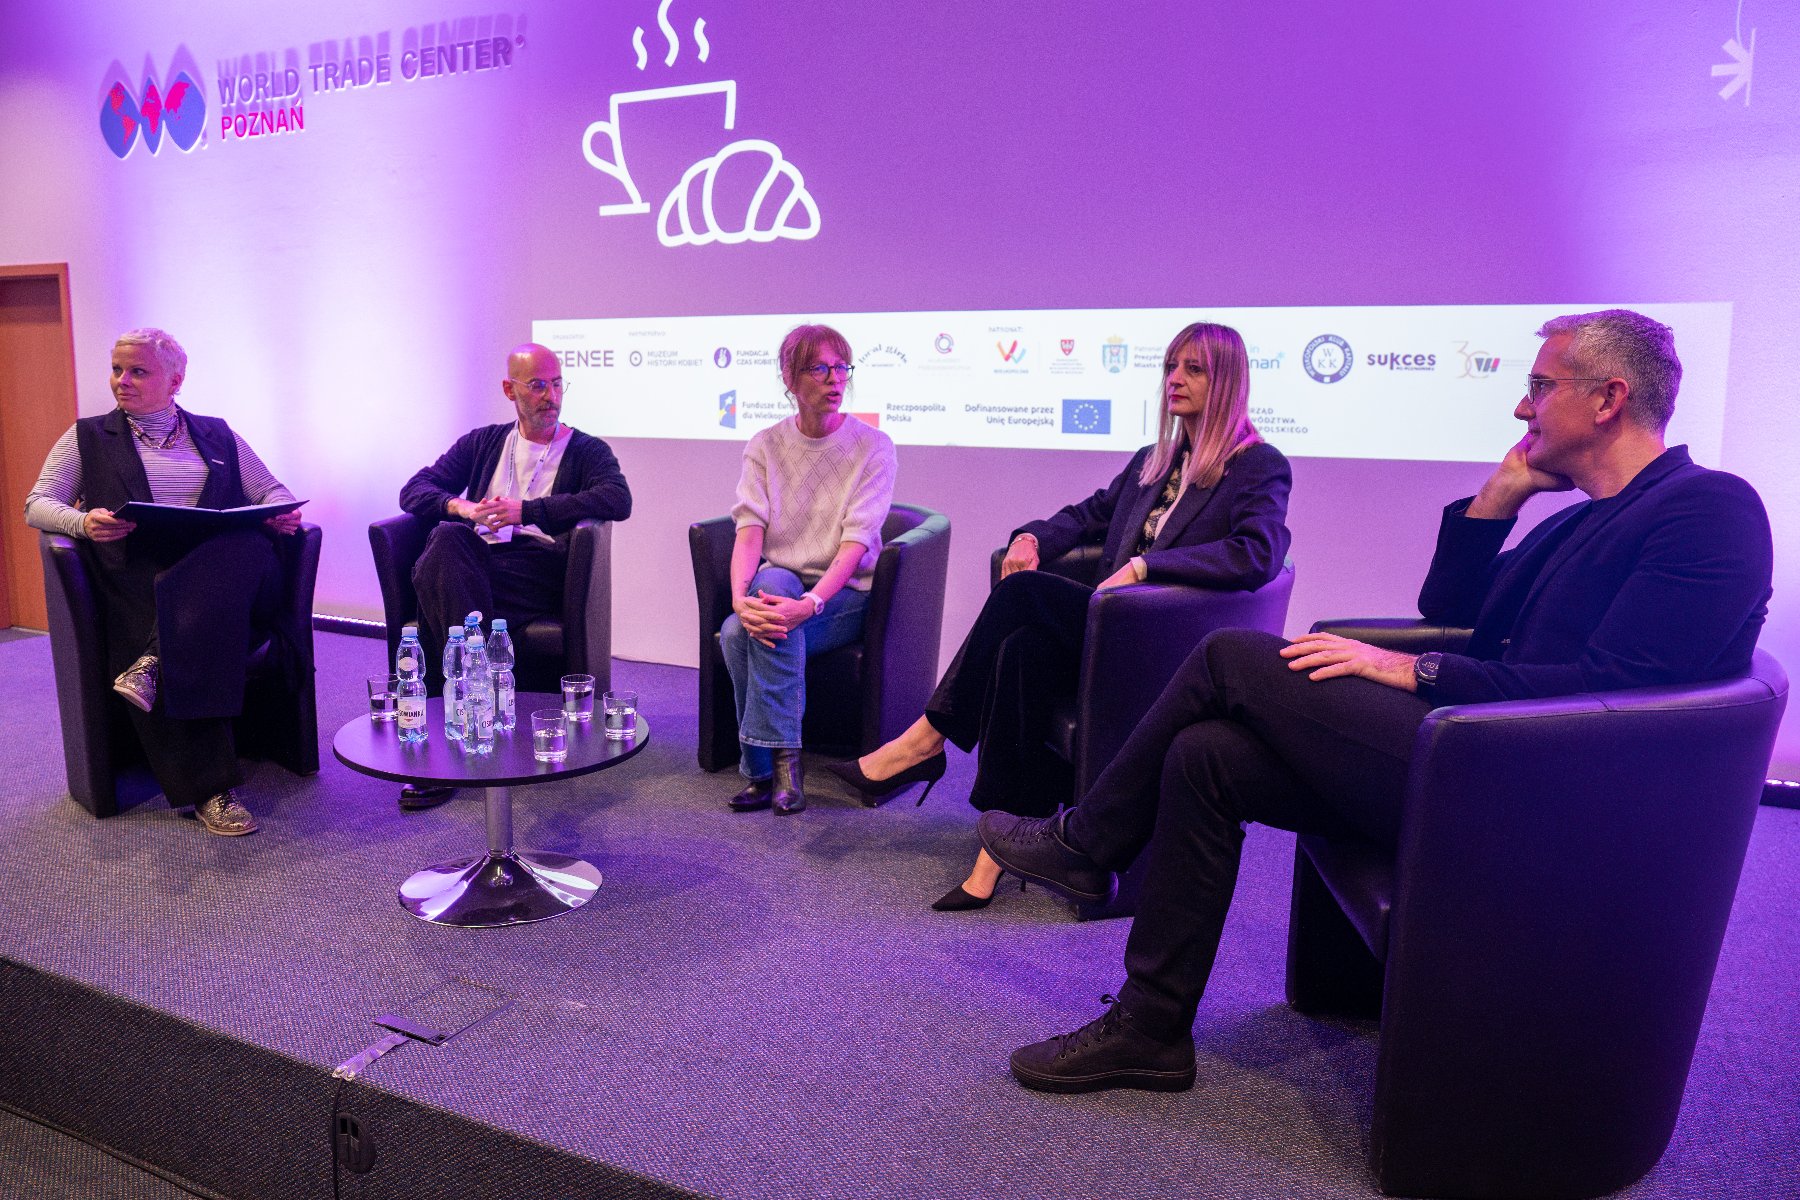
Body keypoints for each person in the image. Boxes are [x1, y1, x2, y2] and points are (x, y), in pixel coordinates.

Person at [976, 308, 1773, 1094]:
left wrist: (1414, 673)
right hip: (1485, 750)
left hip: (1538, 791)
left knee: (1226, 656)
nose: (1523, 407)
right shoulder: (1581, 520)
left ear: (1608, 398)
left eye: (1539, 387)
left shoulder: (1709, 508)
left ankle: (1087, 842)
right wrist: (1499, 496)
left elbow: (1616, 692)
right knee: (1206, 754)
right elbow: (1458, 610)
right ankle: (1150, 1029)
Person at [827, 323, 1291, 912]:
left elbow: (1256, 553)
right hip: (1109, 628)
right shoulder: (1157, 460)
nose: (1174, 379)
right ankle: (997, 848)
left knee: (1021, 598)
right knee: (1022, 648)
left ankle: (925, 738)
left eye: (1193, 369)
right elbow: (1088, 515)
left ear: (1226, 381)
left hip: (1165, 644)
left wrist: (1149, 567)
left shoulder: (1258, 466)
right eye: (1171, 366)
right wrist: (1031, 537)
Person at [24, 328, 306, 836]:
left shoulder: (217, 433)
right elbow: (37, 503)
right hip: (142, 577)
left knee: (244, 544)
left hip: (227, 570)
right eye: (116, 369)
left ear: (175, 380)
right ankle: (211, 788)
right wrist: (83, 523)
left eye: (138, 371)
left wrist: (277, 513)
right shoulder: (87, 437)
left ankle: (152, 662)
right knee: (189, 625)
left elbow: (271, 488)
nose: (121, 381)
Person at [396, 342, 632, 807]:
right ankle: (479, 711)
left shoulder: (585, 450)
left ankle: (454, 733)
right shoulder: (484, 441)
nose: (551, 396)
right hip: (474, 559)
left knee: (435, 575)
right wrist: (464, 507)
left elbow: (617, 500)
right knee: (446, 540)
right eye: (538, 385)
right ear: (510, 389)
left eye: (558, 383)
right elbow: (414, 490)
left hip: (535, 567)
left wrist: (527, 510)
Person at [719, 323, 896, 815]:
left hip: (843, 596)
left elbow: (857, 545)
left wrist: (810, 603)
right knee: (754, 605)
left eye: (841, 368)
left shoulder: (873, 447)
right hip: (779, 583)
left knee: (739, 635)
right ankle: (781, 768)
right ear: (790, 378)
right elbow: (749, 530)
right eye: (819, 368)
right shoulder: (765, 444)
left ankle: (765, 770)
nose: (834, 379)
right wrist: (739, 597)